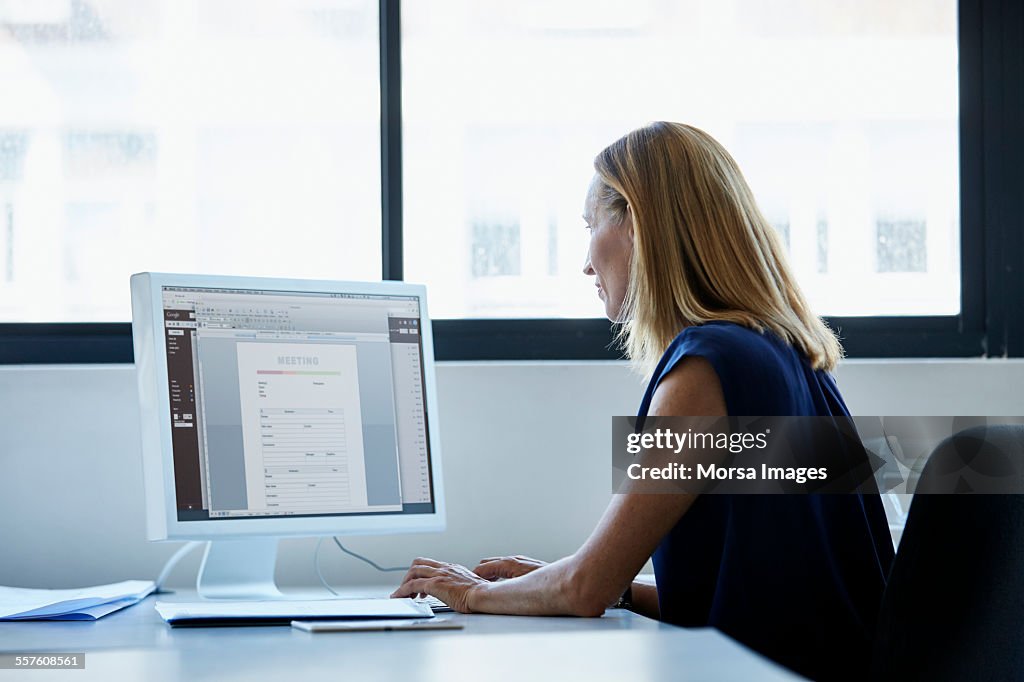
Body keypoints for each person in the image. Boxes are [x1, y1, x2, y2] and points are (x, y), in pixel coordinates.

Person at [392, 122, 894, 681]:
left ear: (635, 221)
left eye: (591, 227)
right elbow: (759, 594)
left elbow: (586, 590)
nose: (586, 262)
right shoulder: (783, 354)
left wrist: (472, 593)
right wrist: (617, 587)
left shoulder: (704, 368)